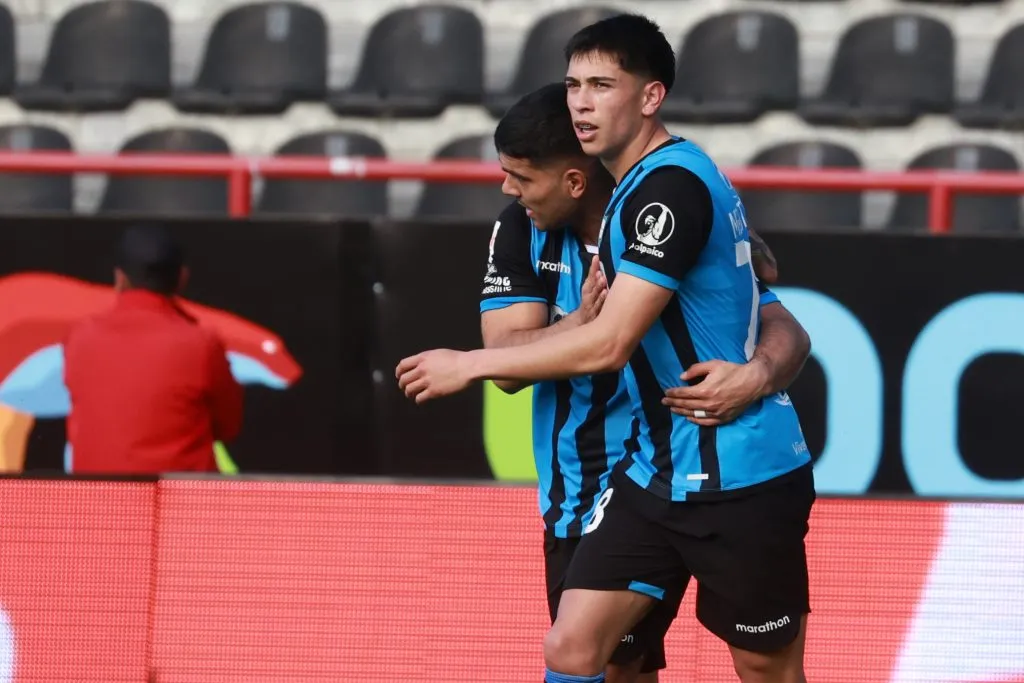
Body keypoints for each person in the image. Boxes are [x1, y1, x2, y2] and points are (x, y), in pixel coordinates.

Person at [397, 14, 815, 683]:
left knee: (766, 666)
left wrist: (464, 365)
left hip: (734, 471)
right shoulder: (635, 194)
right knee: (573, 648)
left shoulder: (669, 189)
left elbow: (615, 341)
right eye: (574, 85)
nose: (583, 101)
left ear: (650, 97)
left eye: (601, 84)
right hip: (648, 474)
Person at [63, 224, 243, 474]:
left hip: (98, 503)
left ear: (119, 278)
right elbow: (228, 428)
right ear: (182, 277)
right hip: (181, 505)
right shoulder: (201, 342)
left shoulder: (80, 337)